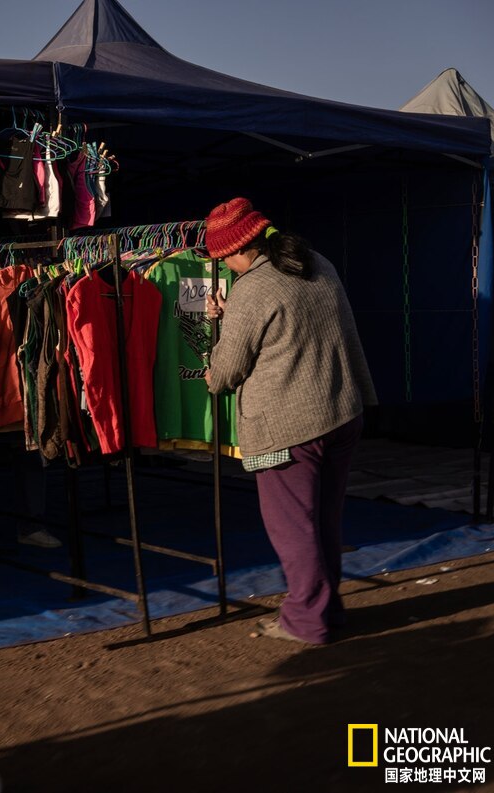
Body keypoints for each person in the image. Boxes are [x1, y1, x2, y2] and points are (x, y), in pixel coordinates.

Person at [202, 197, 376, 645]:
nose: (225, 266)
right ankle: (326, 610)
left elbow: (223, 375)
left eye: (223, 258)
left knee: (293, 527)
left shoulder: (252, 289)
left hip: (288, 427)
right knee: (323, 522)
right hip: (342, 410)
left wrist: (213, 341)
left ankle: (306, 620)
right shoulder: (317, 262)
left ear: (237, 250)